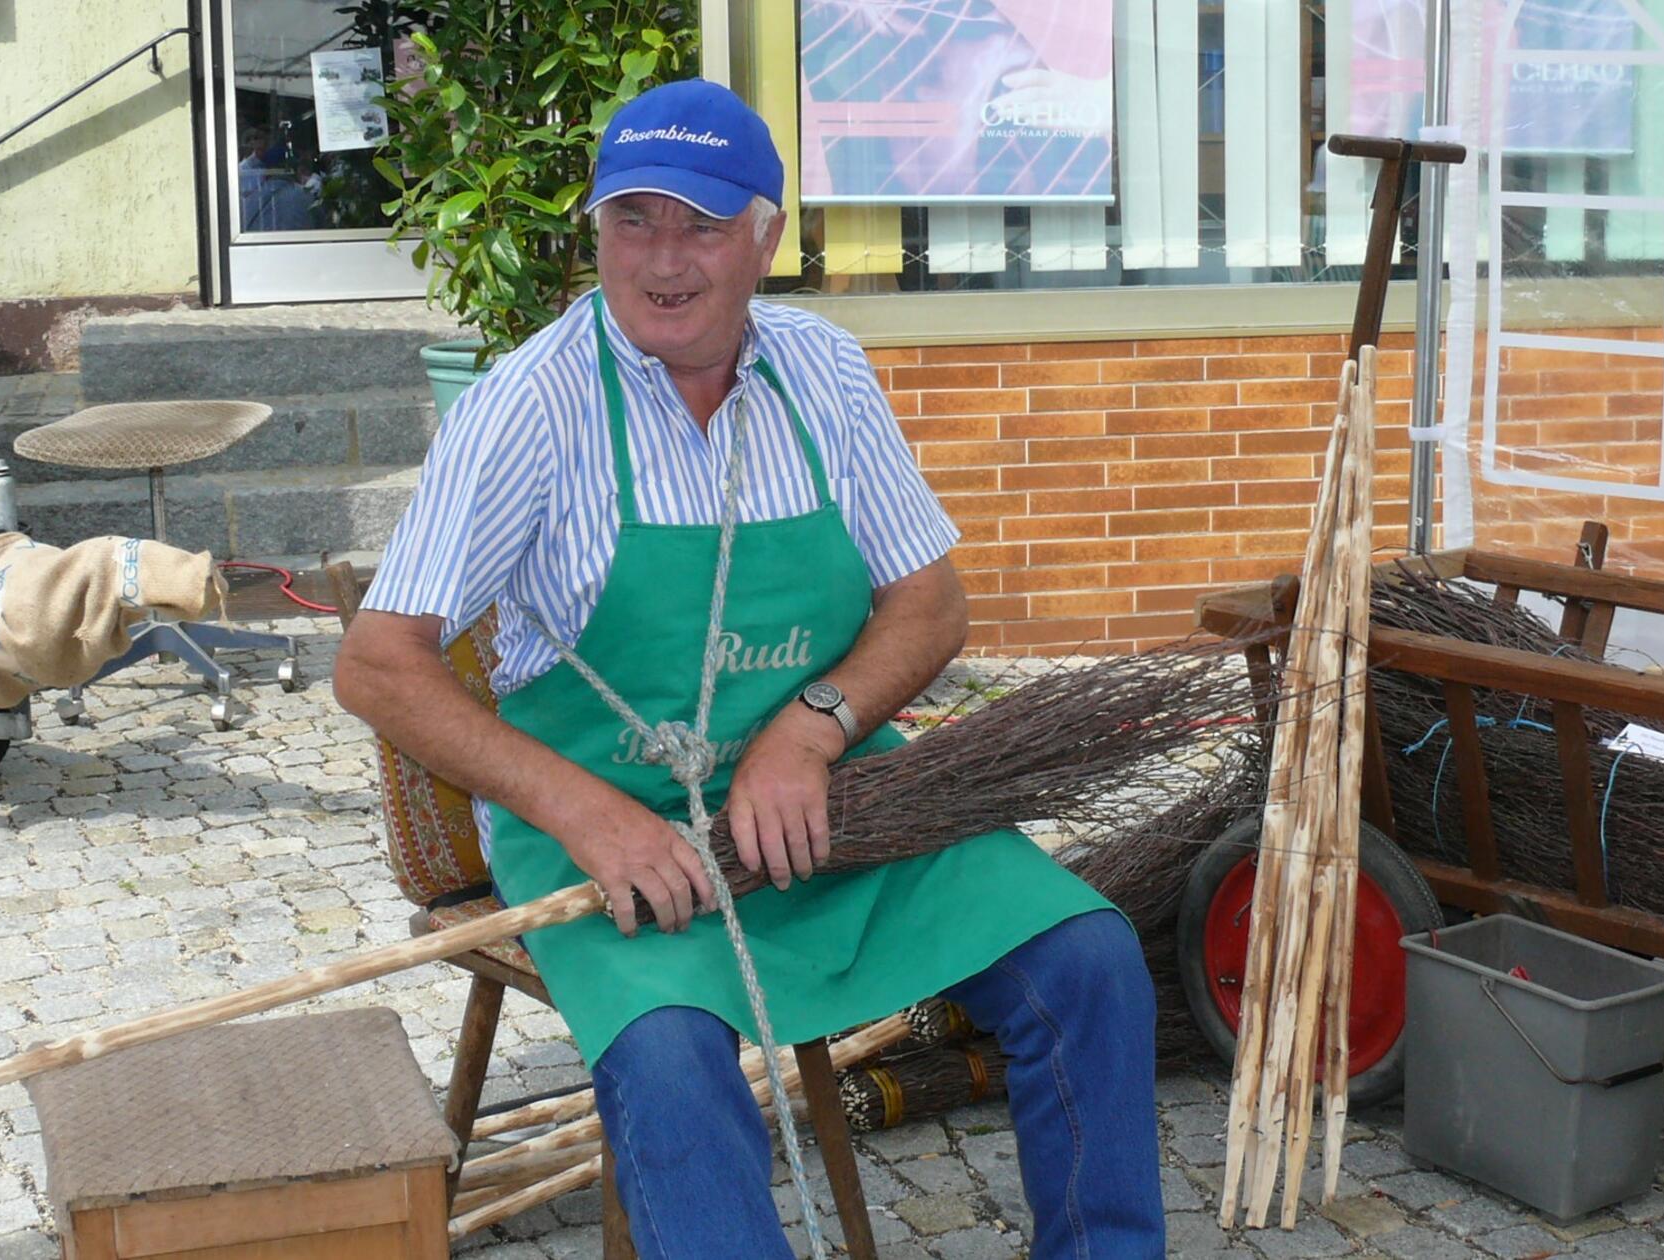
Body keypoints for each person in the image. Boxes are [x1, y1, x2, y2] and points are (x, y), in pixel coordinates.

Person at [334, 78, 1164, 1258]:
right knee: (671, 1060)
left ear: (766, 236)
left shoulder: (822, 374)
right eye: (635, 220)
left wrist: (813, 725)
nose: (663, 260)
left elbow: (929, 605)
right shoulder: (528, 408)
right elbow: (377, 666)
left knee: (1087, 958)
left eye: (702, 224)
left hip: (835, 812)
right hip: (625, 835)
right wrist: (591, 816)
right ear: (597, 229)